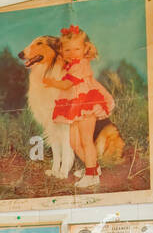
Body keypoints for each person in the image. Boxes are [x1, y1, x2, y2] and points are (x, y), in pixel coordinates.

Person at [44, 25, 115, 189]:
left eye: (77, 49)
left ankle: (91, 176)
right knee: (75, 143)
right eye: (67, 50)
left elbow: (67, 84)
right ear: (62, 50)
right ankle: (94, 168)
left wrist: (51, 82)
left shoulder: (80, 65)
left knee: (86, 141)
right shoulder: (70, 63)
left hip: (86, 104)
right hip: (74, 106)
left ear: (85, 49)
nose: (72, 53)